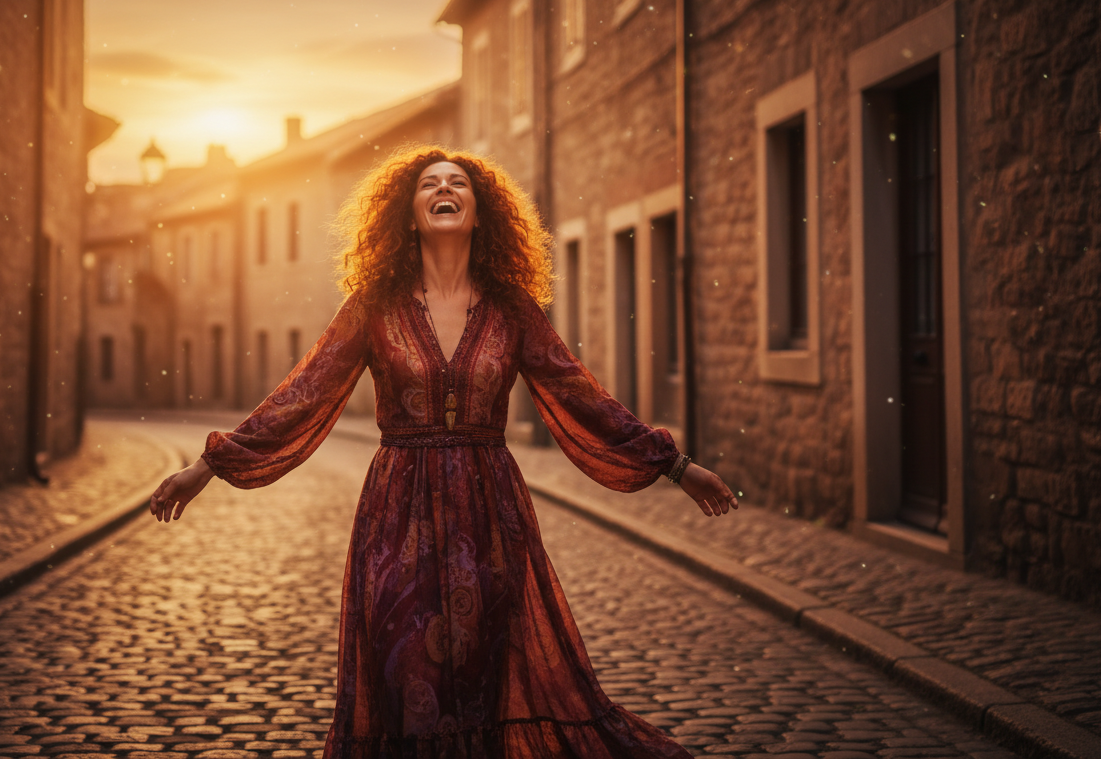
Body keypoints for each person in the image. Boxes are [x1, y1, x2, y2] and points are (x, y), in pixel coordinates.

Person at [149, 145, 736, 758]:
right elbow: (303, 394)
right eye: (428, 184)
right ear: (407, 214)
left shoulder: (512, 311)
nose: (443, 189)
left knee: (484, 677)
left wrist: (675, 465)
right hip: (395, 519)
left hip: (490, 518)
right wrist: (209, 466)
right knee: (406, 673)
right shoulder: (373, 307)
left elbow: (579, 395)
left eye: (457, 182)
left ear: (481, 214)